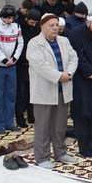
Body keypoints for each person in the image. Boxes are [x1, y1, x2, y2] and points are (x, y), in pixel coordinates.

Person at [27, 13, 79, 169]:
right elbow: (40, 65)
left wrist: (69, 73)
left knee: (60, 124)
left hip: (63, 89)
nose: (55, 28)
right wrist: (59, 76)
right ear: (42, 26)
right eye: (51, 25)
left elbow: (73, 58)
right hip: (44, 91)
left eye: (57, 25)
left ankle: (60, 152)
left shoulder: (64, 41)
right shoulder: (34, 43)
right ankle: (42, 157)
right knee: (43, 126)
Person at [68, 11, 92, 158]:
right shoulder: (75, 34)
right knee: (82, 114)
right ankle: (84, 147)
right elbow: (78, 56)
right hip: (81, 80)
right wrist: (90, 72)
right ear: (87, 23)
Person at [0, 5, 24, 134]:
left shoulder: (16, 25)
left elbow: (20, 43)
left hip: (12, 66)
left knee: (11, 96)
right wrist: (3, 60)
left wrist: (14, 59)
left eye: (12, 18)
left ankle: (9, 123)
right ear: (3, 16)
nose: (10, 20)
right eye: (8, 18)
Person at [15, 9, 41, 128]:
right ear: (26, 19)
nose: (33, 24)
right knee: (21, 94)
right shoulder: (18, 27)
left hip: (33, 66)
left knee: (32, 94)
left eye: (35, 22)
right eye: (32, 22)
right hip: (21, 65)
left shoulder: (36, 27)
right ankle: (20, 119)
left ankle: (32, 116)